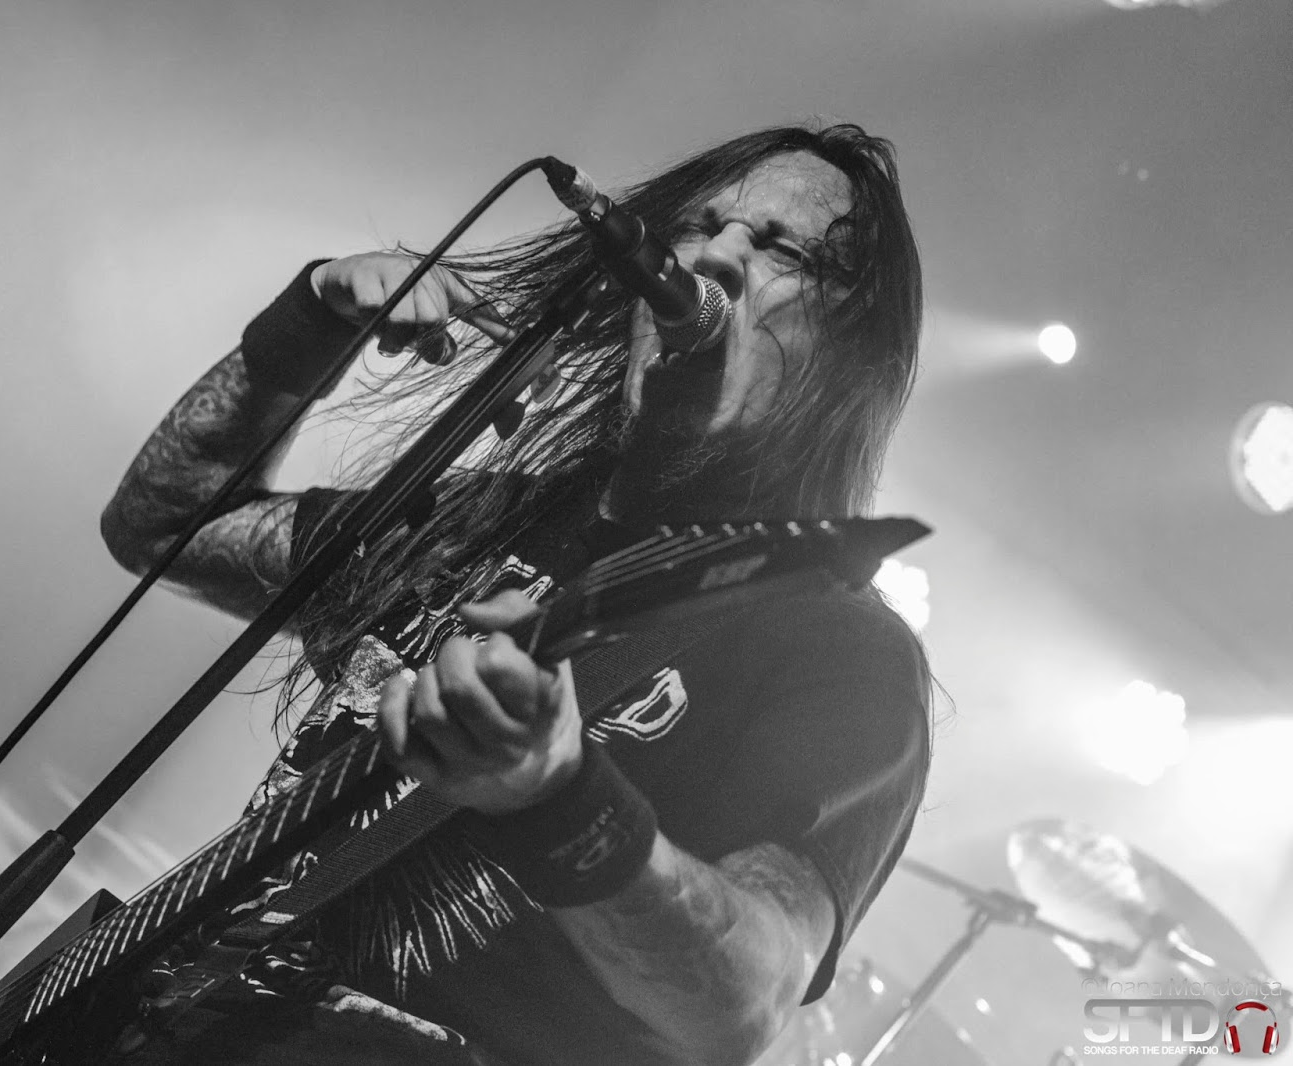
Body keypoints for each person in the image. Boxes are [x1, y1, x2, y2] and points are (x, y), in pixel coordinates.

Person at [100, 123, 932, 1066]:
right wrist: (308, 328)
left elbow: (741, 1008)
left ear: (850, 351)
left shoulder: (840, 649)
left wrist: (559, 798)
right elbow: (163, 525)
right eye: (700, 225)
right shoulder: (474, 521)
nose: (712, 258)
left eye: (784, 251)